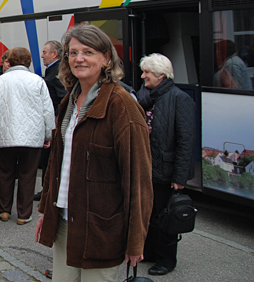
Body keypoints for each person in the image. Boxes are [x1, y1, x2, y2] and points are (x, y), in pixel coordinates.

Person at [35, 24, 153, 281]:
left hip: (101, 229)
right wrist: (47, 212)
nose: (79, 59)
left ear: (106, 58)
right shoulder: (69, 101)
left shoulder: (122, 106)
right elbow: (57, 164)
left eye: (88, 52)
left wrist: (136, 241)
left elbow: (138, 180)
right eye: (73, 52)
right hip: (65, 223)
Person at [137, 53, 195, 276]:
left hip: (167, 171)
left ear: (161, 76)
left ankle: (166, 260)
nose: (143, 76)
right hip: (148, 168)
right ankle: (149, 252)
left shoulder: (179, 99)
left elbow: (185, 141)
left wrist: (179, 178)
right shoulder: (146, 97)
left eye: (147, 73)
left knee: (166, 218)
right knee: (149, 215)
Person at [0, 47, 55, 225]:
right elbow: (47, 110)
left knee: (5, 172)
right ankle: (24, 214)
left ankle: (4, 210)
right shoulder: (38, 81)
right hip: (32, 136)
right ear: (28, 62)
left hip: (5, 134)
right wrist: (48, 134)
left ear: (10, 61)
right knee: (28, 174)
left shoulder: (0, 82)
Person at [36, 41, 67, 203]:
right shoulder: (53, 70)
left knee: (50, 157)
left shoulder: (57, 71)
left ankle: (47, 191)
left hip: (54, 122)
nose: (42, 55)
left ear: (54, 54)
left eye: (45, 52)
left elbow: (62, 97)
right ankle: (46, 189)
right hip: (52, 120)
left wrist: (56, 118)